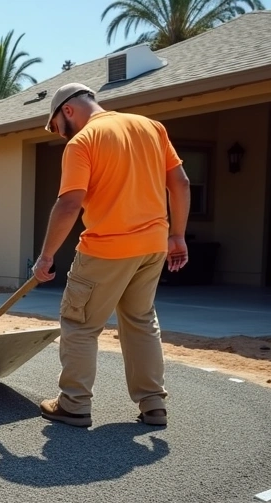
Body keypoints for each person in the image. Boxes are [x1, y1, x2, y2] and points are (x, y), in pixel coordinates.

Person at [31, 83, 191, 429]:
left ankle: (73, 404)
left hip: (106, 248)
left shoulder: (83, 142)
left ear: (68, 110)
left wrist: (46, 257)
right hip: (152, 247)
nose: (62, 135)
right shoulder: (151, 127)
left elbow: (69, 203)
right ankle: (153, 405)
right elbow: (180, 183)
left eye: (58, 127)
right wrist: (177, 235)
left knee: (80, 323)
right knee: (140, 321)